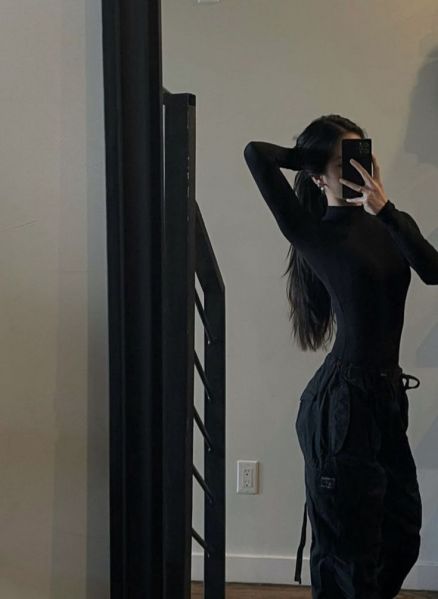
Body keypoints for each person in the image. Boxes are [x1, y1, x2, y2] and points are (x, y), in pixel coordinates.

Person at [243, 114, 438, 599]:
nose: (357, 168)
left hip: (385, 399)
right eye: (343, 162)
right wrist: (309, 159)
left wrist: (385, 208)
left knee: (400, 535)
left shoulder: (389, 223)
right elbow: (256, 153)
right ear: (317, 175)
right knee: (346, 552)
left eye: (362, 155)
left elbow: (433, 269)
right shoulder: (313, 233)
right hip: (342, 407)